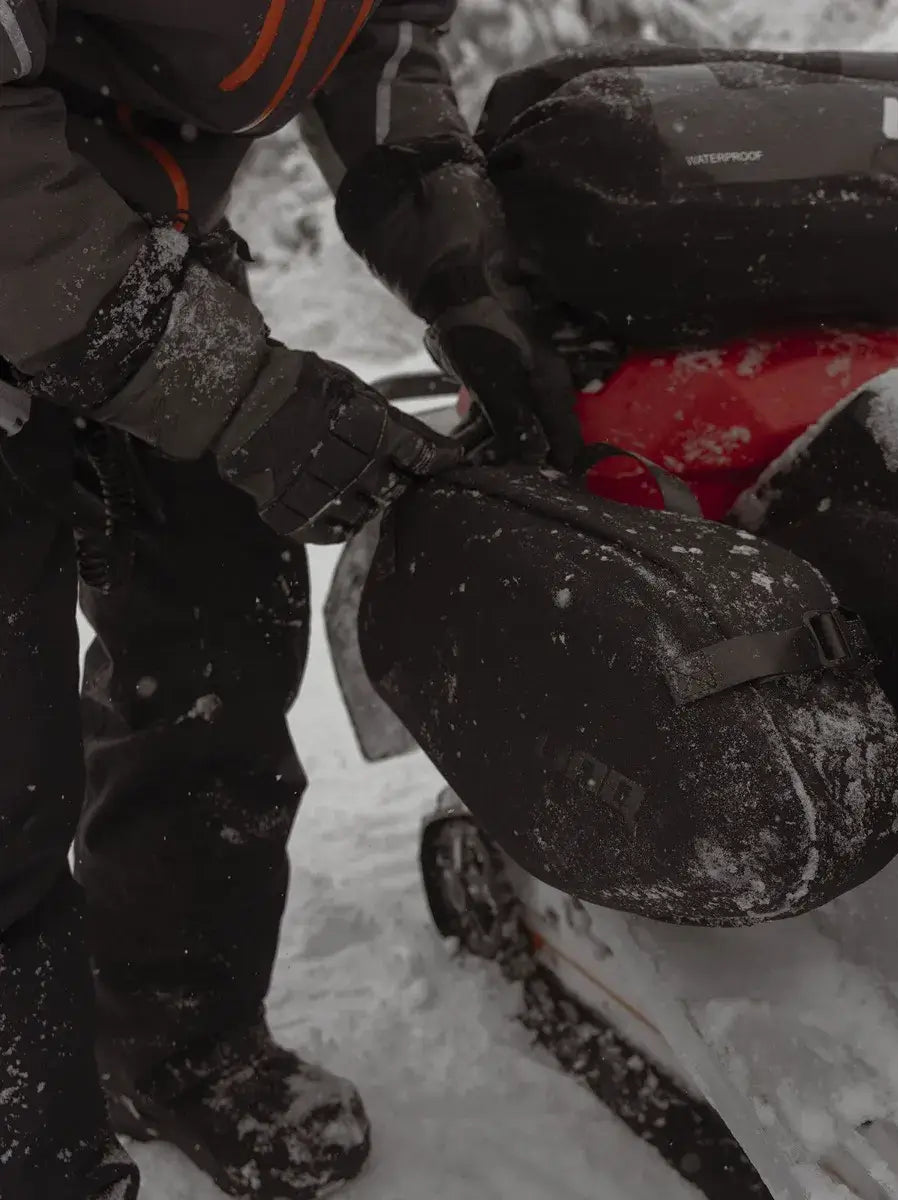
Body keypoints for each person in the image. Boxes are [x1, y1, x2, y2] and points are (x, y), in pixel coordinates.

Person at [0, 2, 580, 1197]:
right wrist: (221, 388)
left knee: (218, 649)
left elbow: (376, 47)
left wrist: (469, 277)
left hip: (139, 237)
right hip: (29, 235)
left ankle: (170, 1048)